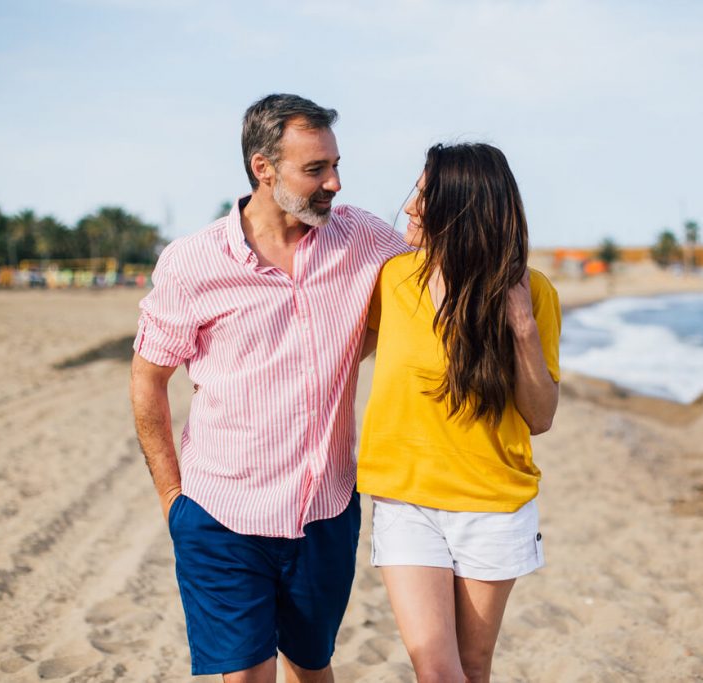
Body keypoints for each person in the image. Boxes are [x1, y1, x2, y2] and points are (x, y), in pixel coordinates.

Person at [129, 93, 406, 682]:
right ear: (264, 168)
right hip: (220, 513)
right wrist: (171, 498)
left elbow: (424, 285)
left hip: (324, 511)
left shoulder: (365, 239)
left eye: (335, 164)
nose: (334, 182)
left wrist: (345, 353)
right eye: (315, 169)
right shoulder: (192, 262)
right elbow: (147, 380)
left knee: (312, 668)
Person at [357, 143, 561, 683]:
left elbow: (540, 416)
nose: (410, 209)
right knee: (437, 667)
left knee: (473, 665)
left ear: (463, 208)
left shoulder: (530, 291)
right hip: (407, 500)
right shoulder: (392, 280)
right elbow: (334, 349)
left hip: (492, 504)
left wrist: (522, 328)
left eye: (424, 198)